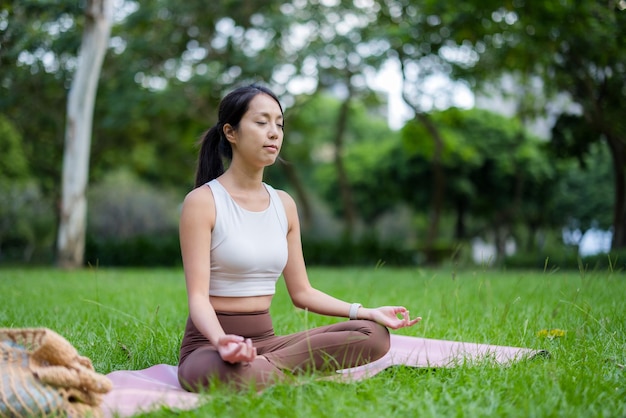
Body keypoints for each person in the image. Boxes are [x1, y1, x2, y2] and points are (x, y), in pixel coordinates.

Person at [177, 83, 421, 392]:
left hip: (269, 343)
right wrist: (222, 341)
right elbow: (198, 299)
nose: (274, 132)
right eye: (262, 122)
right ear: (231, 132)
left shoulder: (284, 204)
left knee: (372, 334)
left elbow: (302, 292)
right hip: (209, 348)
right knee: (227, 372)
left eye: (279, 124)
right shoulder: (202, 202)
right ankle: (267, 372)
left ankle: (265, 371)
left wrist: (366, 311)